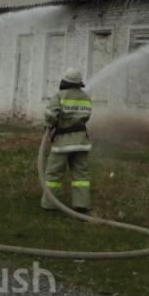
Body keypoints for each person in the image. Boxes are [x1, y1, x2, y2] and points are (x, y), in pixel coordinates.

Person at [41, 67, 93, 213]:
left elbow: (51, 115)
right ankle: (81, 204)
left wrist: (48, 126)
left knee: (54, 174)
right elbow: (87, 117)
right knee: (81, 175)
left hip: (62, 144)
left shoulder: (59, 96)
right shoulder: (86, 97)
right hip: (82, 142)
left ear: (64, 81)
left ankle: (50, 204)